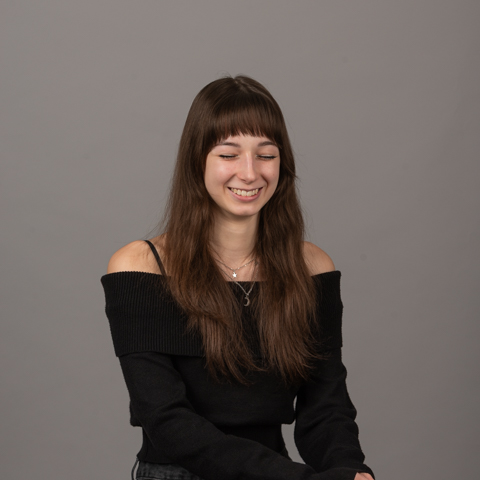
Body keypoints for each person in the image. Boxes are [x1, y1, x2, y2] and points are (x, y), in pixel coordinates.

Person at [101, 75, 375, 480]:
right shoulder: (140, 267)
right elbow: (167, 422)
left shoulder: (311, 267)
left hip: (280, 473)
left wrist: (351, 472)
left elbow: (326, 409)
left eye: (266, 154)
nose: (250, 173)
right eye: (228, 154)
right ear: (197, 161)